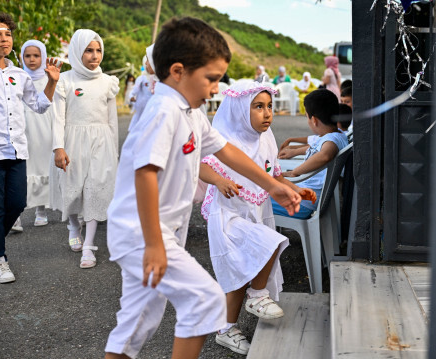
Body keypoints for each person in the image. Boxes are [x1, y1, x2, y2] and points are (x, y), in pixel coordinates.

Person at [103, 17, 301, 359]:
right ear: (178, 71)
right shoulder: (163, 110)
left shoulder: (191, 113)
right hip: (142, 233)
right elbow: (145, 173)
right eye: (210, 79)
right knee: (204, 300)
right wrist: (153, 243)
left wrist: (273, 185)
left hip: (159, 231)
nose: (214, 89)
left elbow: (227, 151)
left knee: (139, 322)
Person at [199, 81, 316, 355]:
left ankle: (226, 329)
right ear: (240, 110)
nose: (267, 114)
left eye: (270, 107)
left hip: (257, 211)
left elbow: (272, 175)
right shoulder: (224, 136)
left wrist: (296, 189)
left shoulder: (266, 137)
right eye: (258, 107)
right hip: (229, 215)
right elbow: (200, 165)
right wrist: (218, 181)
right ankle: (258, 295)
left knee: (243, 271)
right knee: (270, 244)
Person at [0, 12, 61, 283]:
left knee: (17, 203)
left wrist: (52, 81)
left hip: (17, 150)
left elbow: (40, 106)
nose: (4, 39)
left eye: (7, 34)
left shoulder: (20, 75)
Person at [52, 29, 120, 269]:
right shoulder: (64, 80)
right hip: (72, 141)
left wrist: (114, 150)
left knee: (95, 190)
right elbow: (58, 118)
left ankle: (89, 245)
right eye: (88, 50)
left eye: (98, 50)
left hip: (101, 143)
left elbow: (112, 120)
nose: (95, 56)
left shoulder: (108, 83)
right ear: (76, 52)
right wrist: (58, 147)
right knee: (71, 189)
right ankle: (73, 225)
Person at [274, 89, 348, 219]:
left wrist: (294, 172)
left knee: (254, 197)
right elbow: (317, 148)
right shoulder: (336, 135)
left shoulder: (332, 140)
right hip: (305, 195)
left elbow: (325, 154)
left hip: (303, 202)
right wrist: (294, 152)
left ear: (313, 120)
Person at [18, 40, 54, 230]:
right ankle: (15, 214)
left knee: (40, 168)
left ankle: (41, 210)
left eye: (36, 55)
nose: (32, 59)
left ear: (44, 57)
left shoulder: (49, 79)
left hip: (44, 130)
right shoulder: (18, 77)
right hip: (22, 130)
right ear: (21, 57)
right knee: (20, 172)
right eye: (27, 56)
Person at [128, 46, 156, 132]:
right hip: (141, 105)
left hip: (152, 105)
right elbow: (134, 90)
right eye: (146, 62)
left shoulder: (156, 78)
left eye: (149, 61)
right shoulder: (141, 78)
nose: (147, 64)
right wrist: (131, 96)